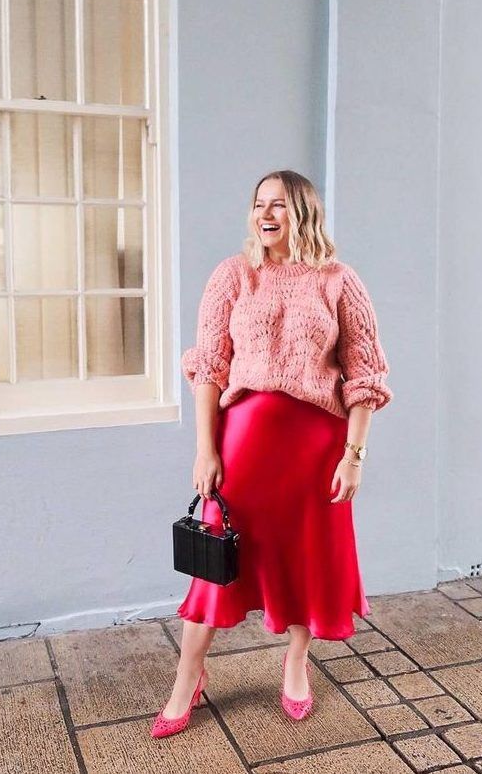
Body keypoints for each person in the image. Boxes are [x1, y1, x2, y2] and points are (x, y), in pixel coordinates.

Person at [151, 169, 393, 738]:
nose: (265, 214)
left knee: (307, 557)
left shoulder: (339, 281)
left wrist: (354, 455)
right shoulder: (233, 275)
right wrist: (205, 449)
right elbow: (209, 367)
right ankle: (188, 676)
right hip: (245, 443)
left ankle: (296, 663)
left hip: (315, 450)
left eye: (279, 204)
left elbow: (366, 376)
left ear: (303, 212)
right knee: (214, 564)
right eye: (259, 203)